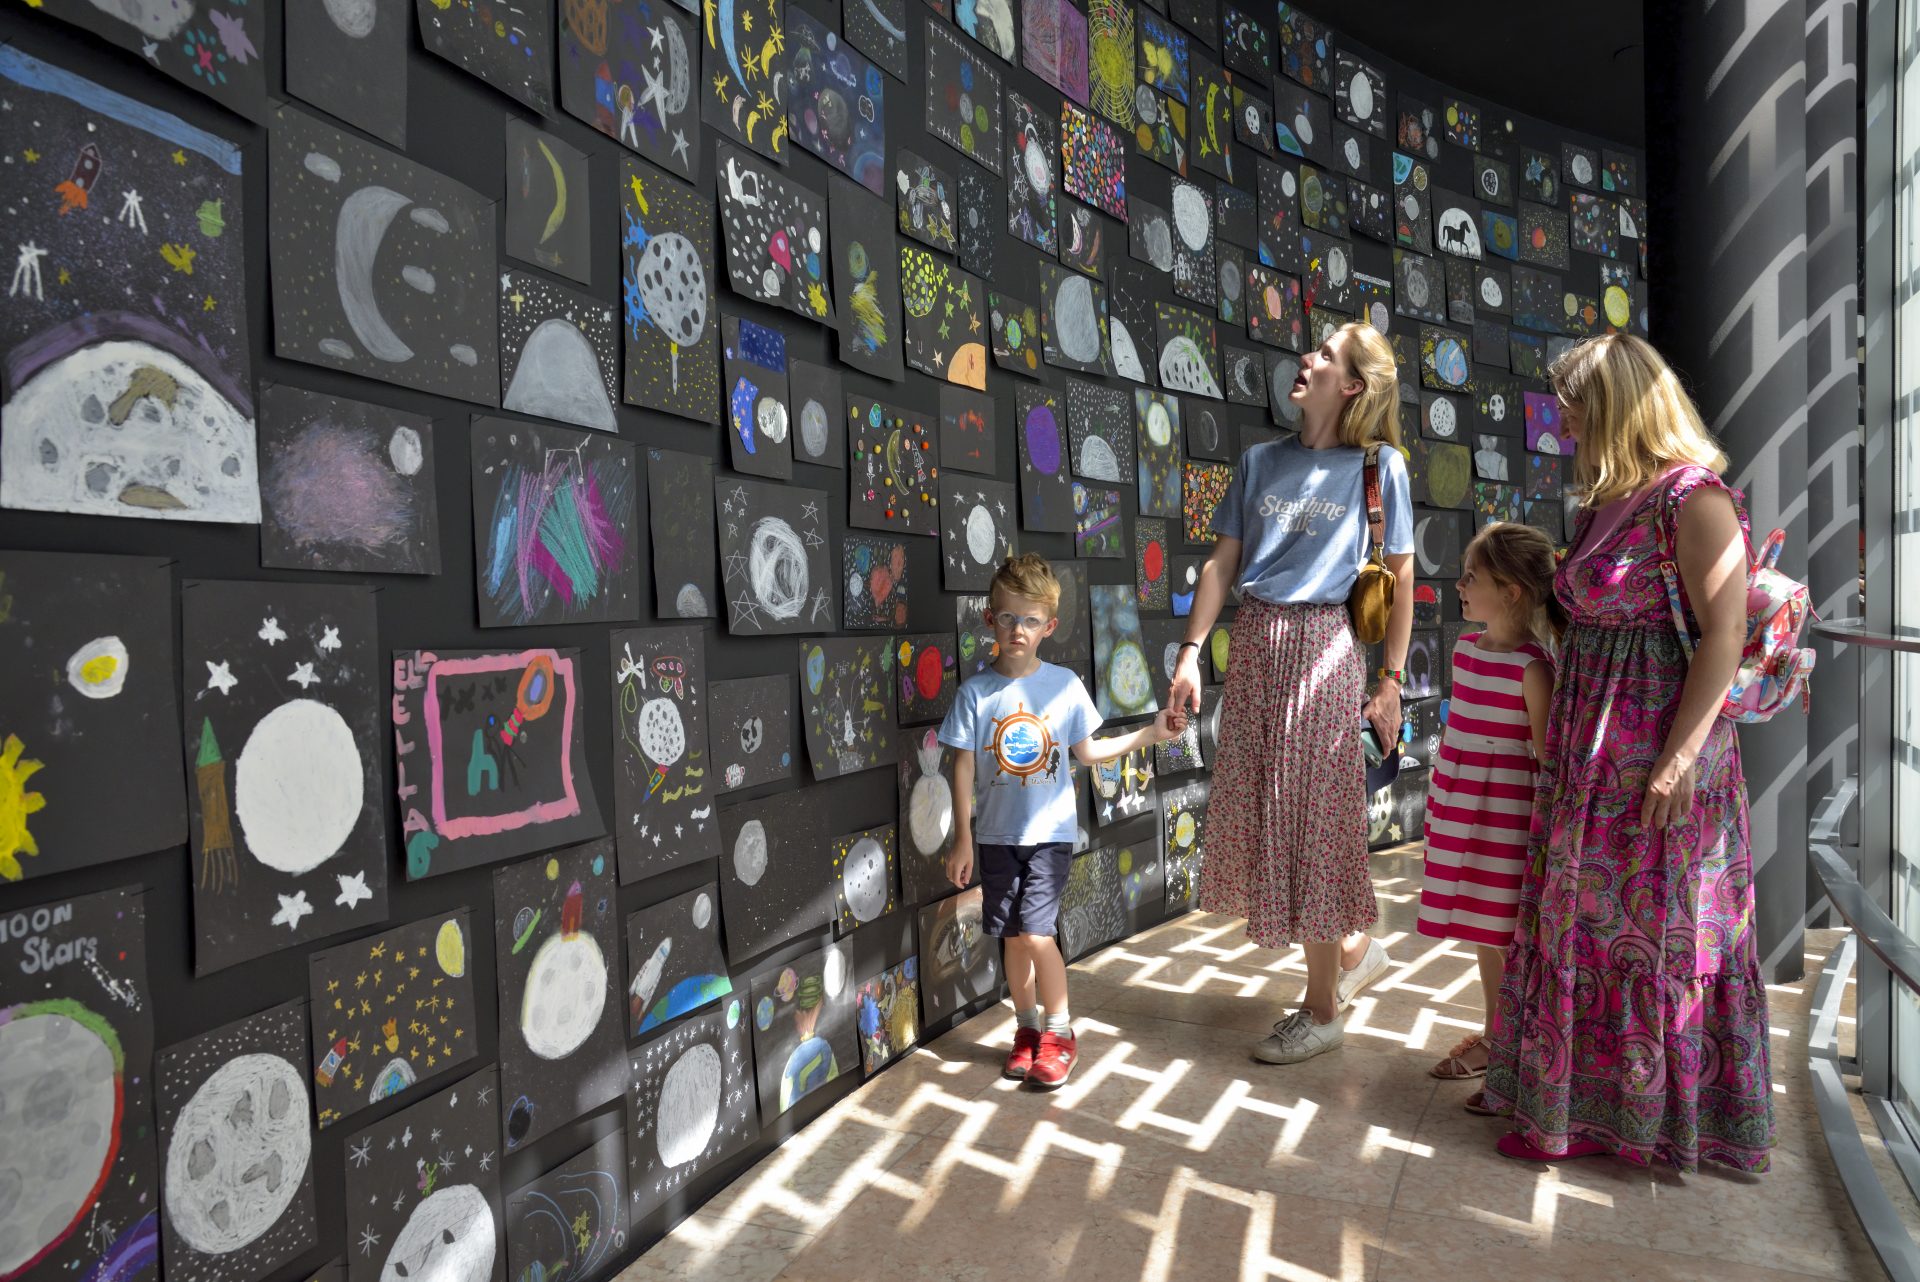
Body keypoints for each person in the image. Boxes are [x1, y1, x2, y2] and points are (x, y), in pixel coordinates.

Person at [1481, 333, 1773, 1170]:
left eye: (1573, 407)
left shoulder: (1696, 500)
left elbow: (1724, 637)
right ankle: (1574, 1112)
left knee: (1659, 935)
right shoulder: (1603, 503)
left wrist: (1677, 762)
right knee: (1585, 930)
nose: (1562, 423)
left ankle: (1659, 1122)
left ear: (1614, 406)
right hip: (1589, 754)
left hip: (1656, 757)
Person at [1169, 321, 1415, 1065]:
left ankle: (1322, 1011)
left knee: (1315, 822)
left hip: (1323, 649)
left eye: (1326, 355)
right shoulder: (1258, 462)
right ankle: (1351, 949)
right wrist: (1188, 656)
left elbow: (1401, 576)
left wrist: (1392, 679)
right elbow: (1221, 564)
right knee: (1276, 813)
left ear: (1353, 386)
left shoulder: (1382, 469)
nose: (1305, 359)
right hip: (1255, 647)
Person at [940, 553, 1186, 1088]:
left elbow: (1089, 752)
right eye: (1007, 617)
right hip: (994, 838)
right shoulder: (974, 695)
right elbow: (961, 767)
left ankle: (1060, 1031)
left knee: (1033, 932)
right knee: (1010, 937)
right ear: (990, 618)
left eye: (1030, 620)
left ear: (1049, 626)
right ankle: (1027, 1030)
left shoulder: (1064, 685)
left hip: (1048, 837)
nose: (1017, 630)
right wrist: (962, 838)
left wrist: (1151, 734)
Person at [1416, 524, 1560, 1102]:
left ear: (1511, 592)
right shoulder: (1464, 649)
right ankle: (1499, 1035)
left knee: (1507, 935)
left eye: (1471, 577)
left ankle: (1513, 1049)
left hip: (1504, 818)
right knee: (1483, 929)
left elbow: (1546, 759)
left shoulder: (1534, 668)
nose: (1459, 585)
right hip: (1462, 807)